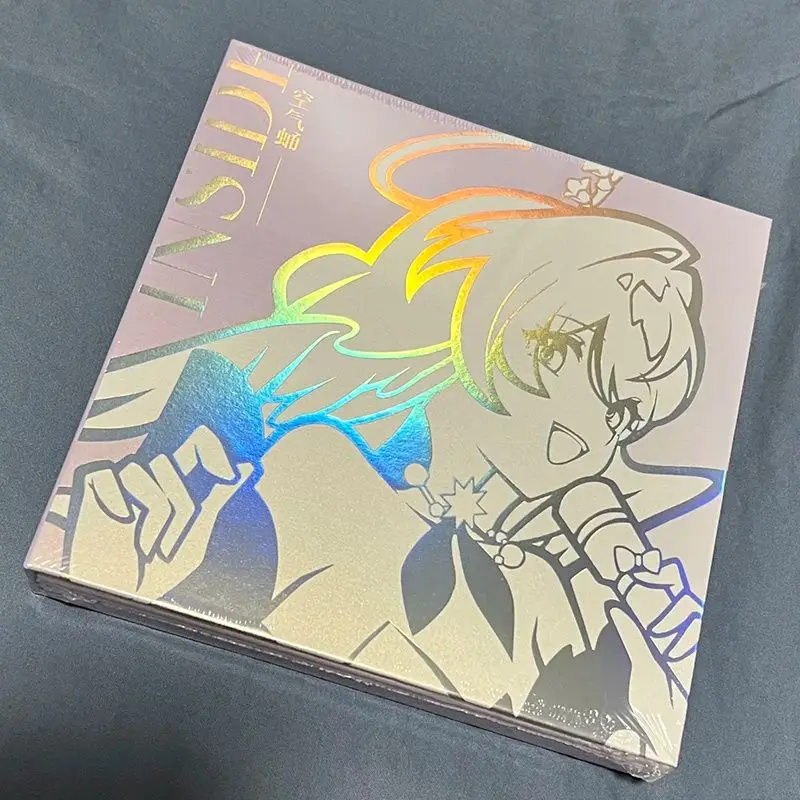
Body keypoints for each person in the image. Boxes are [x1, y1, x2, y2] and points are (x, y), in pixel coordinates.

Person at [55, 133, 722, 764]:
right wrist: (114, 568)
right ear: (540, 347)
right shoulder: (315, 469)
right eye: (619, 408)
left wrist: (652, 666)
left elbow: (613, 728)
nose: (610, 442)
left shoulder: (546, 589)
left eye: (632, 423)